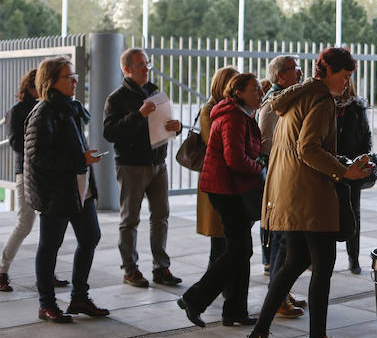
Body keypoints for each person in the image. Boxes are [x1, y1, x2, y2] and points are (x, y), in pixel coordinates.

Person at [243, 47, 370, 338]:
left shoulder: (296, 96)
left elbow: (303, 147)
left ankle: (258, 334)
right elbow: (308, 148)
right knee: (322, 267)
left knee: (294, 263)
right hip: (311, 197)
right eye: (345, 75)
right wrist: (344, 170)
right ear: (329, 72)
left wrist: (339, 162)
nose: (347, 82)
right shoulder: (322, 99)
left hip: (292, 193)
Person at [24, 56, 109, 322]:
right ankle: (46, 304)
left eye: (75, 76)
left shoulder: (70, 108)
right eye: (68, 77)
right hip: (55, 191)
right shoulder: (44, 112)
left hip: (79, 186)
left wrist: (83, 159)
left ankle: (79, 298)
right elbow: (36, 156)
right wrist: (79, 160)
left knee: (90, 237)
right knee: (50, 246)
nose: (75, 81)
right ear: (51, 81)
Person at [178, 73, 263, 328]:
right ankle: (194, 298)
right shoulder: (232, 118)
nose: (260, 94)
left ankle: (234, 310)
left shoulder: (241, 115)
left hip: (231, 189)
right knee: (239, 250)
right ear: (238, 93)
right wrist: (258, 168)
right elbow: (234, 158)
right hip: (227, 191)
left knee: (240, 251)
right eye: (255, 90)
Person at [103, 48, 182, 288]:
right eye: (140, 65)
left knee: (161, 217)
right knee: (130, 220)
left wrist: (176, 127)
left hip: (158, 163)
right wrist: (138, 115)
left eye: (147, 64)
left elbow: (163, 123)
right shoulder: (116, 99)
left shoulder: (154, 91)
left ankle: (161, 267)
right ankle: (130, 269)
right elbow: (110, 132)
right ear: (126, 69)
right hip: (131, 166)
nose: (146, 68)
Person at [1, 70, 69, 293]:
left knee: (50, 228)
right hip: (28, 173)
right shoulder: (18, 111)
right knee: (25, 223)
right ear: (31, 87)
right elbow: (17, 144)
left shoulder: (50, 109)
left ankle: (47, 272)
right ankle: (1, 270)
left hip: (50, 173)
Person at [256, 56, 305, 317]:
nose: (300, 73)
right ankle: (277, 298)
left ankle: (282, 291)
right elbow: (267, 144)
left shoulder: (287, 99)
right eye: (294, 69)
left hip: (287, 176)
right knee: (280, 239)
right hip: (278, 179)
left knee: (287, 240)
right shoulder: (272, 104)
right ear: (279, 76)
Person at [196, 66, 238, 265]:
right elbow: (212, 142)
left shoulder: (237, 109)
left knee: (230, 242)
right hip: (216, 180)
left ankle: (224, 286)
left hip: (231, 182)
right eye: (232, 83)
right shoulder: (209, 110)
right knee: (219, 244)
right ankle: (209, 288)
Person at [336, 80, 372, 275]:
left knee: (353, 212)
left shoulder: (357, 107)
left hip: (353, 166)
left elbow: (366, 135)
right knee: (328, 213)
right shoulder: (326, 104)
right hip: (331, 166)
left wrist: (361, 160)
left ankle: (354, 258)